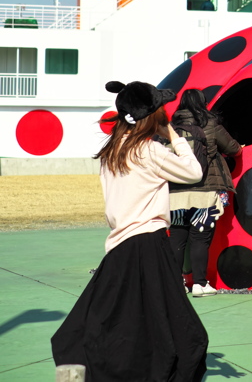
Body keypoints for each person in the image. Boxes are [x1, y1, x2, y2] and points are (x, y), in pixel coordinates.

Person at [52, 80, 208, 381]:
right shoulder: (149, 151)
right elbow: (194, 172)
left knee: (118, 321)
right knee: (176, 327)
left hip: (119, 246)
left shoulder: (112, 151)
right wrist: (172, 134)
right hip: (149, 245)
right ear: (153, 116)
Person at [169, 88, 241, 297]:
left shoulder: (172, 127)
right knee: (200, 238)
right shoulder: (210, 124)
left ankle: (176, 283)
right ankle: (200, 284)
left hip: (175, 192)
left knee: (177, 237)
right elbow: (233, 148)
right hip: (204, 189)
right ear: (203, 103)